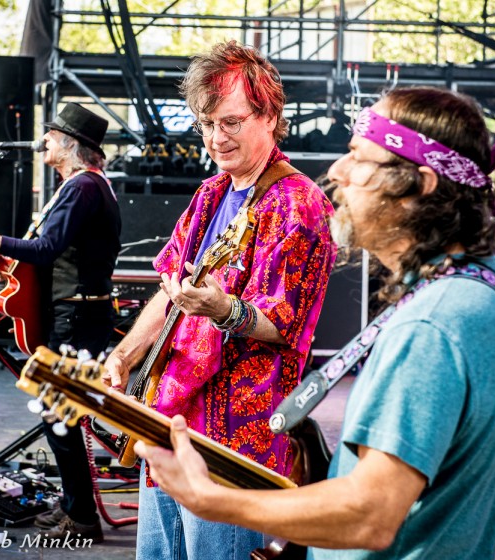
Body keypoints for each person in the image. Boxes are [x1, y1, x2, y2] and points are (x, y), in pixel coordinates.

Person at [134, 86, 495, 560]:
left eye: (358, 158)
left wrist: (217, 500)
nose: (337, 173)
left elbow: (371, 512)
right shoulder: (487, 287)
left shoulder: (433, 326)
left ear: (422, 184)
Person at [102, 40, 336, 559]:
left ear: (269, 114)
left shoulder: (299, 204)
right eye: (207, 124)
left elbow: (285, 325)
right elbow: (169, 291)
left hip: (234, 442)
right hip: (170, 421)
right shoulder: (211, 194)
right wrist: (125, 356)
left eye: (230, 122)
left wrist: (223, 310)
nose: (216, 138)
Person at [0, 102, 121, 544]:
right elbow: (52, 254)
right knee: (58, 415)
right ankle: (74, 507)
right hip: (78, 312)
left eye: (52, 134)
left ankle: (82, 517)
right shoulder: (82, 186)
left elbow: (46, 249)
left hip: (78, 316)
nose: (44, 139)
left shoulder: (82, 188)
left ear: (71, 145)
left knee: (59, 416)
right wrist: (8, 261)